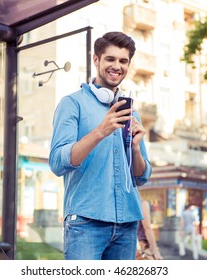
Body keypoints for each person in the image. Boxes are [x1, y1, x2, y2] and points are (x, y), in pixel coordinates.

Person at [49, 31, 152, 260]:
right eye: (110, 59)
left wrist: (135, 148)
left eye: (123, 61)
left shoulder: (130, 111)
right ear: (96, 60)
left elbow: (141, 177)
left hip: (127, 224)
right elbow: (57, 162)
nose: (117, 66)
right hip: (86, 224)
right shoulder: (72, 104)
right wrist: (100, 132)